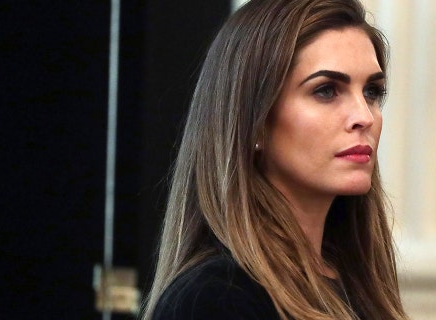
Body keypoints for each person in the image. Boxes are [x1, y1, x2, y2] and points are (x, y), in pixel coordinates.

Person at [142, 0, 406, 319]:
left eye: (372, 92)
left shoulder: (359, 284)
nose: (364, 116)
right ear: (253, 121)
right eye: (326, 91)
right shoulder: (215, 299)